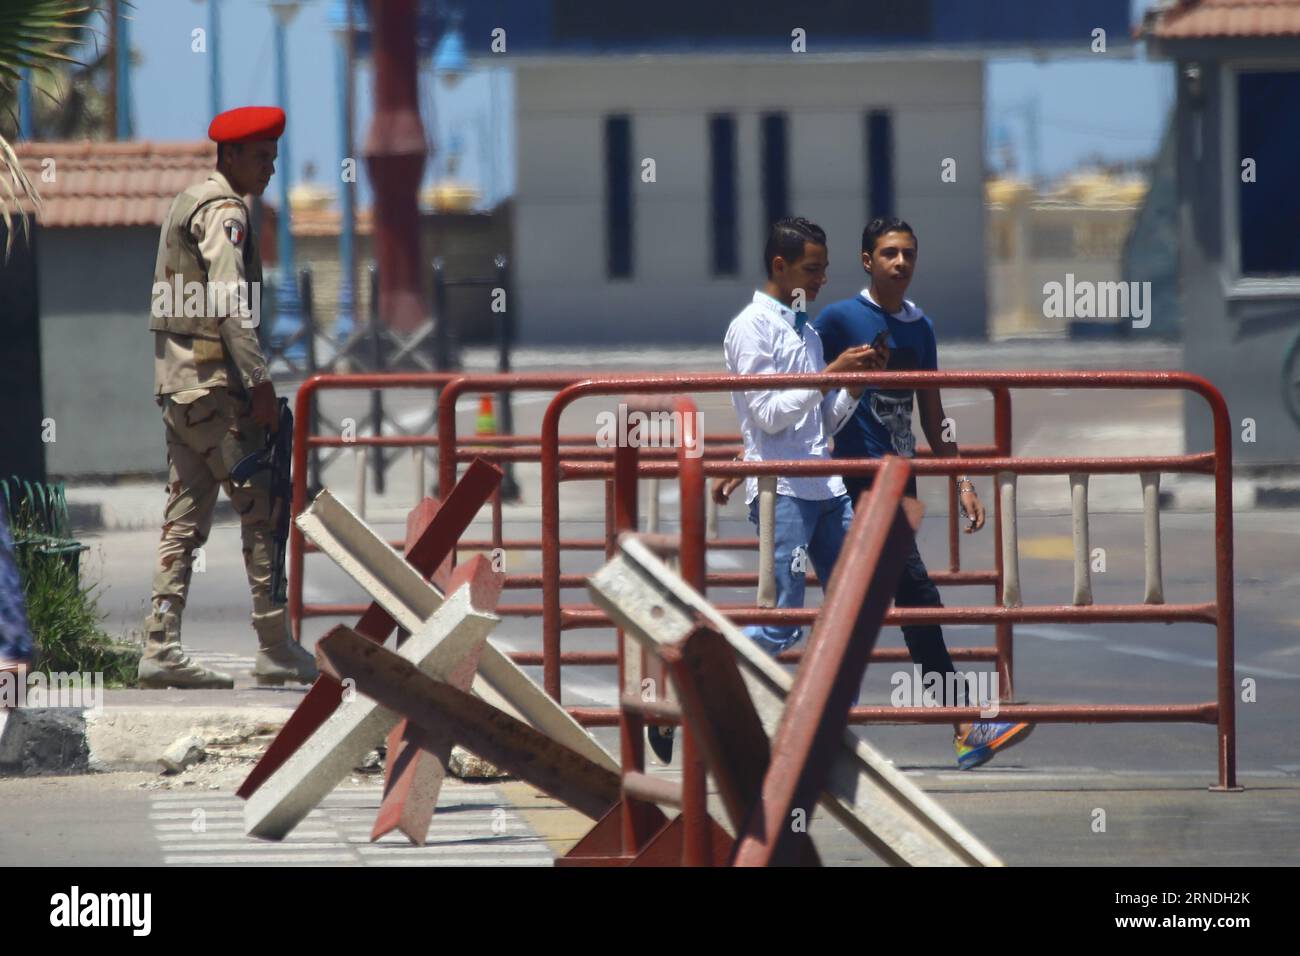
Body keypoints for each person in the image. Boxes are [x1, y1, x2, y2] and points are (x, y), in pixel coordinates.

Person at [647, 217, 884, 765]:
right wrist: (829, 375)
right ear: (780, 266)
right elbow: (767, 417)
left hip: (825, 485)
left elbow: (820, 424)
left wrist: (852, 383)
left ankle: (824, 735)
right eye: (812, 268)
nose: (823, 279)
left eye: (825, 268)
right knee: (780, 622)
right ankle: (686, 685)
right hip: (782, 492)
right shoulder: (750, 328)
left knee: (855, 603)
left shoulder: (807, 330)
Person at [812, 216, 1033, 770]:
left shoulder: (920, 327)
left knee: (868, 608)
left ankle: (808, 730)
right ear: (867, 260)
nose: (900, 263)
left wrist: (962, 480)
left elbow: (934, 414)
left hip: (900, 482)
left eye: (909, 253)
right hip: (855, 482)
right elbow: (804, 393)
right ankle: (964, 724)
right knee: (914, 596)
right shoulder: (839, 319)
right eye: (889, 253)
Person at [139, 105, 316, 689]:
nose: (270, 167)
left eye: (272, 156)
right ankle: (274, 645)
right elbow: (230, 300)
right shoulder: (225, 211)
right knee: (262, 509)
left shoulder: (185, 201)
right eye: (260, 156)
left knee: (185, 517)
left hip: (179, 389)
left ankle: (160, 644)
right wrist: (260, 384)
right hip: (218, 391)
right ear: (231, 156)